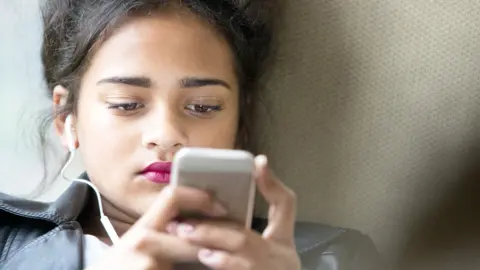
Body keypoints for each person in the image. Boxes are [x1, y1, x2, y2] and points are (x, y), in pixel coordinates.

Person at [0, 0, 382, 269]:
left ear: (240, 121)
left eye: (202, 107)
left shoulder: (335, 257)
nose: (166, 135)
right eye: (127, 104)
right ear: (66, 117)